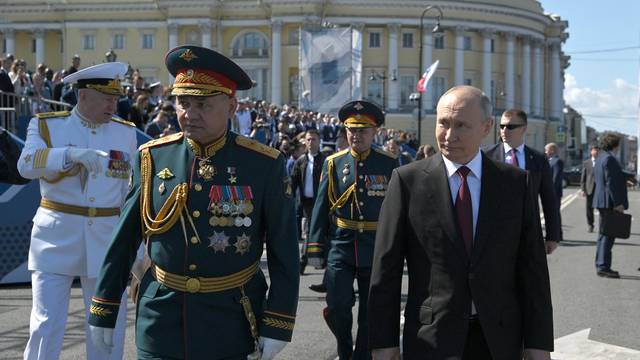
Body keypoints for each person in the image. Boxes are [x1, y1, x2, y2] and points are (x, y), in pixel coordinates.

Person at [87, 45, 300, 360]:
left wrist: (278, 322)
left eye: (202, 104)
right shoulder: (153, 158)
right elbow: (125, 238)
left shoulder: (263, 164)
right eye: (183, 103)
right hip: (160, 316)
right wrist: (104, 305)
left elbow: (284, 250)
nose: (190, 113)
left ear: (231, 107)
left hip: (230, 319)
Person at [368, 86, 553, 360]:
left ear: (486, 127)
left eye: (461, 125)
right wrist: (383, 342)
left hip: (499, 338)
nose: (449, 135)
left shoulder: (516, 183)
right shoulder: (407, 181)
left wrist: (538, 344)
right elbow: (386, 269)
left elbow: (533, 268)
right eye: (443, 123)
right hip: (431, 338)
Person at [17, 62, 137, 360]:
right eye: (106, 97)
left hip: (107, 240)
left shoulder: (125, 133)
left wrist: (137, 249)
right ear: (83, 96)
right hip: (55, 238)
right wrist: (69, 154)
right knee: (47, 323)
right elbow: (26, 164)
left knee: (107, 325)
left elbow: (130, 192)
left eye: (116, 97)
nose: (113, 104)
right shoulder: (47, 125)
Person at [307, 100, 398, 360]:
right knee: (337, 307)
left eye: (362, 131)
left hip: (375, 246)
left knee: (371, 311)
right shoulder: (334, 163)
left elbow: (397, 210)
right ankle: (344, 351)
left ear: (374, 132)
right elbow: (321, 206)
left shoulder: (388, 163)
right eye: (352, 130)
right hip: (341, 245)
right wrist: (315, 247)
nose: (356, 135)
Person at [485, 109, 562, 253]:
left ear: (524, 128)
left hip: (528, 233)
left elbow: (549, 199)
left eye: (510, 126)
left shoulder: (538, 159)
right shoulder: (486, 156)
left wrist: (552, 236)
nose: (504, 130)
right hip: (493, 234)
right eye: (501, 126)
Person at [593, 133, 628, 278]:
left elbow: (610, 177)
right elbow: (611, 184)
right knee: (608, 235)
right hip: (609, 202)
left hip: (602, 200)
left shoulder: (601, 157)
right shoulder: (610, 159)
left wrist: (626, 177)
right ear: (615, 145)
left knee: (603, 235)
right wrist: (618, 203)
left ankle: (600, 264)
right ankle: (604, 266)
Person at [292, 129, 326, 275]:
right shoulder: (300, 161)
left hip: (322, 203)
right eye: (309, 140)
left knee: (320, 232)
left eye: (314, 139)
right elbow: (292, 183)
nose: (311, 142)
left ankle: (319, 259)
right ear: (305, 142)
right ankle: (303, 261)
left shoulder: (325, 160)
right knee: (308, 232)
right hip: (306, 204)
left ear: (319, 142)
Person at [581, 145, 599, 233]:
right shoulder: (586, 163)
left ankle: (603, 226)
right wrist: (583, 189)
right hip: (589, 188)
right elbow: (583, 177)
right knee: (589, 209)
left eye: (598, 151)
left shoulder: (602, 162)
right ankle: (590, 225)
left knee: (602, 208)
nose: (596, 152)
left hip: (600, 189)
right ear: (591, 152)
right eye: (595, 150)